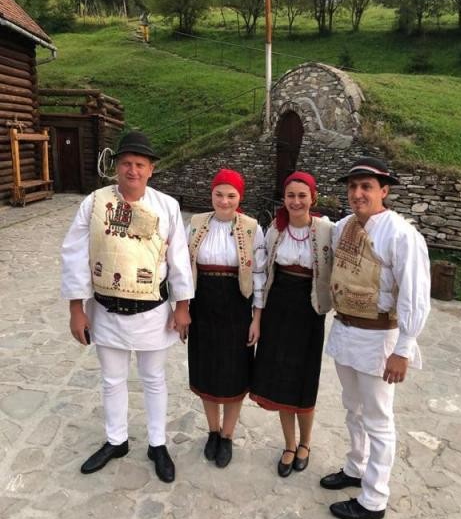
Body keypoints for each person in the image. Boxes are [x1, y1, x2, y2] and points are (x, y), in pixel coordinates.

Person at [61, 131, 194, 483]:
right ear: (116, 168)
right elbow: (76, 255)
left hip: (152, 311)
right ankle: (116, 439)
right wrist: (77, 308)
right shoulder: (94, 203)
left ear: (151, 169)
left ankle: (157, 442)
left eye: (139, 164)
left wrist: (182, 306)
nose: (132, 170)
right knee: (112, 379)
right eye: (126, 164)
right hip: (105, 310)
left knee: (153, 379)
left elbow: (178, 258)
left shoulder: (167, 206)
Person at [320, 157, 430, 519]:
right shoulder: (343, 228)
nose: (357, 193)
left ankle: (374, 499)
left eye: (366, 187)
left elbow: (414, 295)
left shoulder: (401, 235)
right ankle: (355, 467)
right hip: (346, 331)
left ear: (384, 191)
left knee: (379, 420)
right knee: (353, 408)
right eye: (352, 187)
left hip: (379, 337)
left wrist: (403, 348)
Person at [250, 171, 333, 477]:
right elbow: (263, 274)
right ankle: (288, 443)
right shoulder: (274, 231)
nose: (296, 201)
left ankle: (306, 443)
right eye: (290, 196)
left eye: (302, 195)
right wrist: (258, 317)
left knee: (304, 379)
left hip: (310, 312)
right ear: (283, 199)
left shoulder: (327, 230)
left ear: (313, 197)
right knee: (281, 379)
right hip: (278, 311)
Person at [186, 169, 266, 468]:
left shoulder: (251, 228)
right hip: (203, 304)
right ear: (211, 195)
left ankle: (228, 435)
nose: (224, 200)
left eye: (231, 195)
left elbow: (259, 275)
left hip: (236, 306)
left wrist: (257, 318)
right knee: (206, 368)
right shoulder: (195, 224)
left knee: (234, 372)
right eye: (219, 194)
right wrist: (181, 308)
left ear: (239, 197)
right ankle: (212, 431)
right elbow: (183, 267)